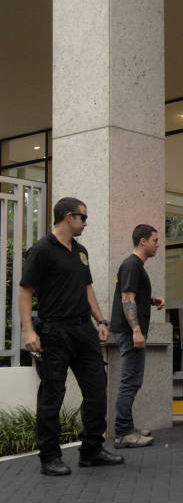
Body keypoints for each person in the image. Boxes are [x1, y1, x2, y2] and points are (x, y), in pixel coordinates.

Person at [20, 197, 124, 476]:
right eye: (83, 217)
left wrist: (100, 320)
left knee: (96, 391)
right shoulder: (41, 250)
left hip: (84, 331)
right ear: (68, 217)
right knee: (52, 396)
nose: (86, 223)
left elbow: (87, 288)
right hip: (55, 331)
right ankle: (49, 458)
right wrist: (28, 330)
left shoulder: (80, 251)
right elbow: (25, 290)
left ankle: (91, 450)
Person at [111, 224, 164, 448]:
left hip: (129, 330)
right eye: (155, 240)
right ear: (143, 241)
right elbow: (127, 298)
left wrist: (151, 300)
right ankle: (124, 432)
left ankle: (127, 427)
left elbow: (133, 295)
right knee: (130, 382)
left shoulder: (134, 266)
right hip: (129, 331)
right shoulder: (132, 265)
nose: (157, 245)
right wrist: (136, 330)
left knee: (132, 381)